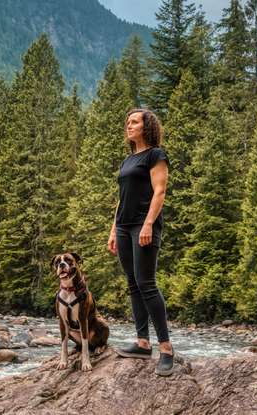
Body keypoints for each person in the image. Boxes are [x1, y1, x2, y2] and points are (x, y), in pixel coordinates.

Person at [107, 107, 174, 376]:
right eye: (127, 122)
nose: (129, 125)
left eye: (134, 122)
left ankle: (166, 348)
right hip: (123, 227)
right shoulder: (128, 160)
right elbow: (122, 199)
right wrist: (113, 230)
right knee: (133, 284)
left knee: (146, 283)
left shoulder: (156, 155)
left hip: (143, 226)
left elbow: (160, 191)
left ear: (147, 127)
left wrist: (148, 224)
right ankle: (142, 343)